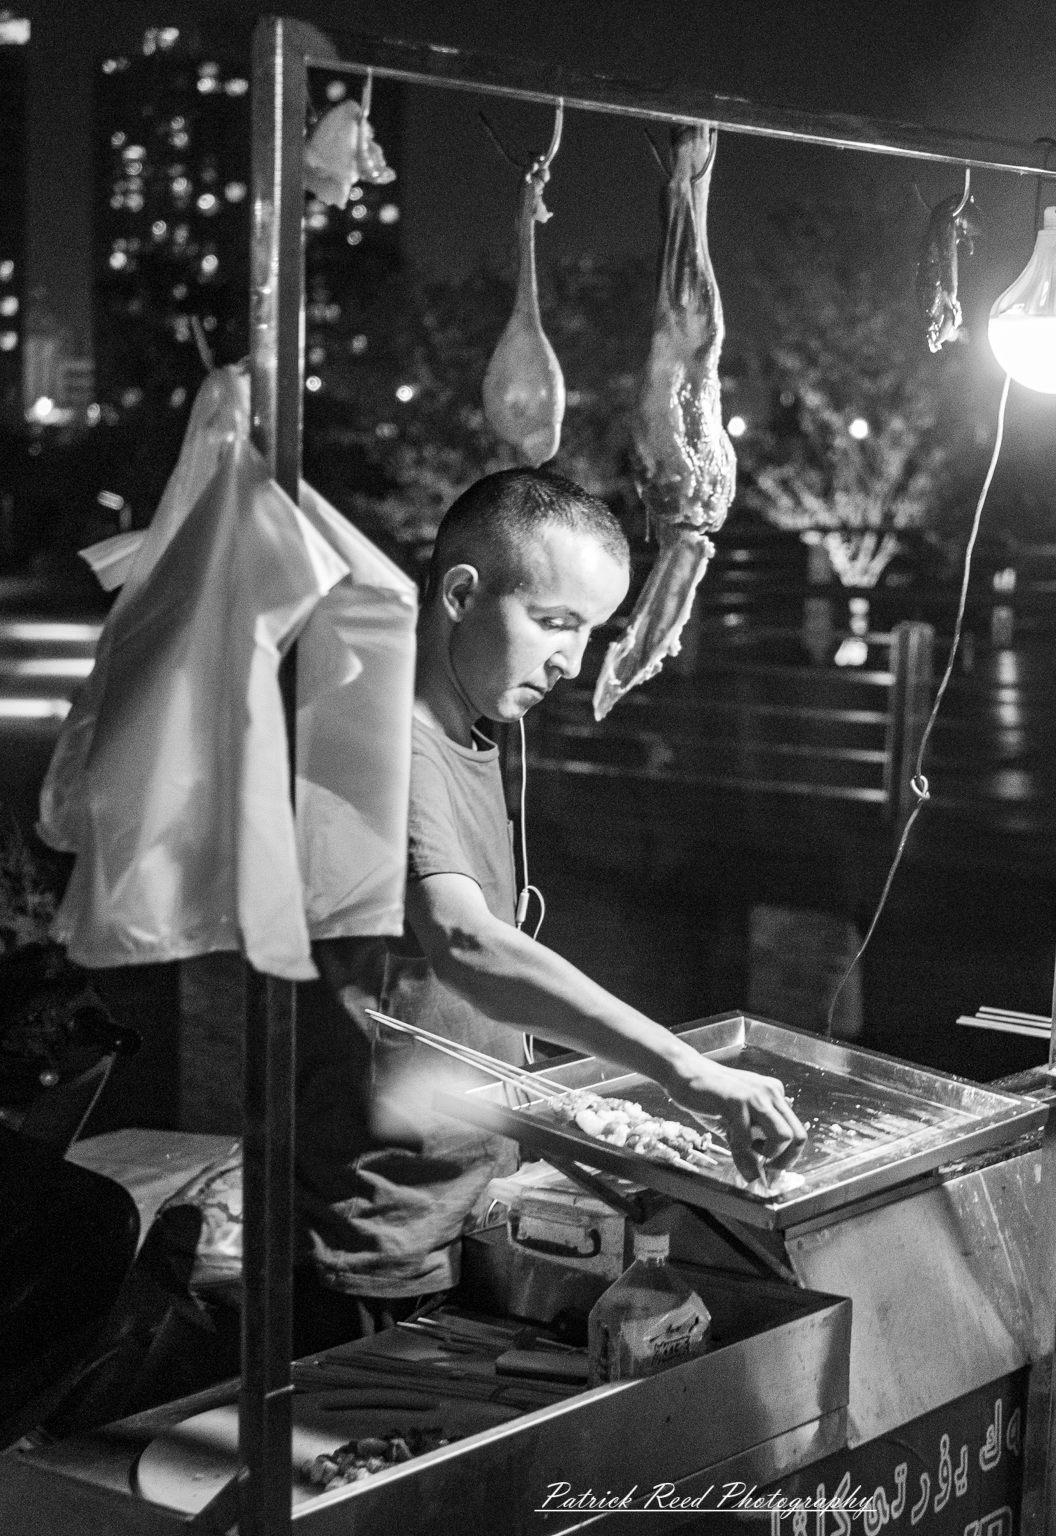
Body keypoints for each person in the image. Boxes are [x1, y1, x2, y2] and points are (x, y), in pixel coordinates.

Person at [293, 467, 805, 1346]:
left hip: (475, 1192)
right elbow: (467, 943)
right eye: (555, 622)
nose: (571, 661)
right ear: (462, 593)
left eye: (589, 631)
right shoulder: (379, 737)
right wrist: (688, 1071)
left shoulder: (475, 735)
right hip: (379, 1225)